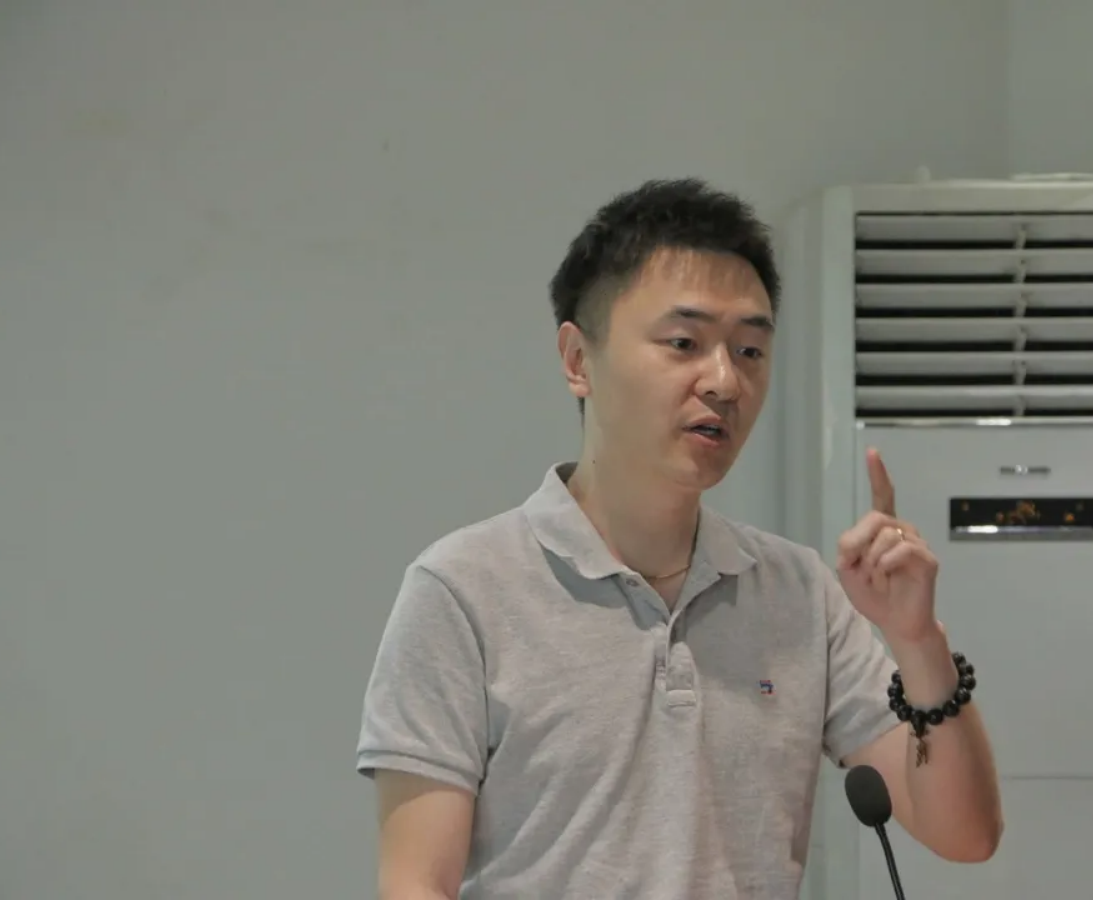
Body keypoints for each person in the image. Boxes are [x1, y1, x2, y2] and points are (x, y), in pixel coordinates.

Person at [356, 178, 1003, 899]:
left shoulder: (799, 593)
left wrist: (916, 640)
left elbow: (965, 835)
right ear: (578, 360)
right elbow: (416, 883)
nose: (724, 381)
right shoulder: (462, 591)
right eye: (684, 343)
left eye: (750, 351)